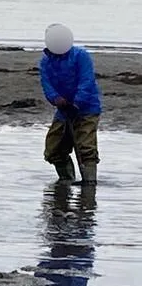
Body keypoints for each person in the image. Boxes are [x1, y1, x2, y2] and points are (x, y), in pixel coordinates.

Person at [39, 24, 101, 185]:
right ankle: (66, 180)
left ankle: (89, 183)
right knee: (54, 148)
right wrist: (56, 99)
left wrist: (77, 102)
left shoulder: (81, 56)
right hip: (63, 109)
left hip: (87, 108)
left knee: (86, 147)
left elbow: (86, 81)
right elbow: (47, 85)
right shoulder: (46, 62)